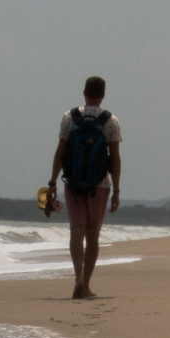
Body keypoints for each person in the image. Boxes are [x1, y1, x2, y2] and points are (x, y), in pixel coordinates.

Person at [49, 75, 121, 299]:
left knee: (76, 231)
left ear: (84, 93)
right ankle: (86, 285)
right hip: (100, 185)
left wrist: (52, 182)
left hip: (73, 184)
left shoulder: (69, 117)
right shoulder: (111, 121)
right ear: (103, 95)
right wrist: (116, 190)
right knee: (92, 235)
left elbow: (60, 152)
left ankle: (78, 279)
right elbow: (115, 159)